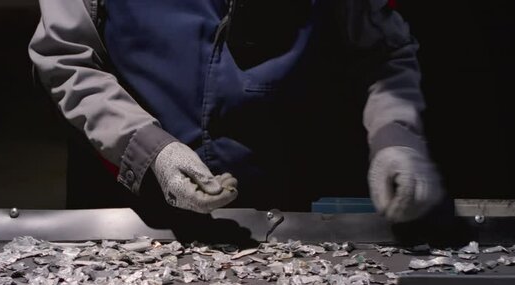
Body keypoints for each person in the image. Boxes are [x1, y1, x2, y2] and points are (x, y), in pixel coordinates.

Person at [28, 0, 444, 223]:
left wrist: (396, 135)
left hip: (274, 216)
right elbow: (65, 56)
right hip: (126, 210)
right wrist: (150, 150)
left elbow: (384, 53)